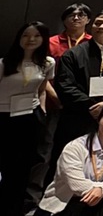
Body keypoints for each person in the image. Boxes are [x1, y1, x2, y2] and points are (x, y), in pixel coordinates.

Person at [51, 9, 103, 186]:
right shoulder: (73, 53)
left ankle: (100, 191)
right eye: (98, 23)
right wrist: (92, 106)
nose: (101, 26)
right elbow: (65, 86)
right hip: (79, 117)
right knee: (69, 163)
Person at [36, 101, 103, 216]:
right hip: (64, 205)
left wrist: (102, 189)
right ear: (98, 119)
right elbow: (77, 184)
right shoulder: (74, 147)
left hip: (98, 204)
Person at [2, 22, 55, 214]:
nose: (31, 39)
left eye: (36, 35)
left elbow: (42, 89)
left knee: (23, 167)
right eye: (26, 35)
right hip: (4, 116)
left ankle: (13, 208)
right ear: (19, 38)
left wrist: (42, 110)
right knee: (5, 163)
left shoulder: (47, 63)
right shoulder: (4, 63)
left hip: (29, 117)